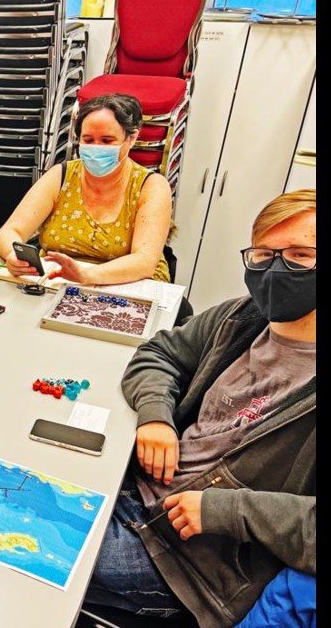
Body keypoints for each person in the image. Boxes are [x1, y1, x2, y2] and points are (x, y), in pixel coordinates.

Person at [84, 190, 316, 627]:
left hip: (194, 562)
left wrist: (227, 510)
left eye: (301, 255)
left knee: (12, 548)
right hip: (135, 485)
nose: (276, 269)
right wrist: (156, 414)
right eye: (264, 254)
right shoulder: (242, 318)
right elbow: (158, 354)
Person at [0, 93, 172, 285]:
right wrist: (13, 255)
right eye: (88, 140)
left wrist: (86, 276)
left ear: (131, 138)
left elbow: (144, 262)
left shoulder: (151, 186)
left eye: (107, 141)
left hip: (129, 285)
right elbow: (10, 231)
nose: (96, 148)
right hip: (57, 282)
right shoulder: (61, 176)